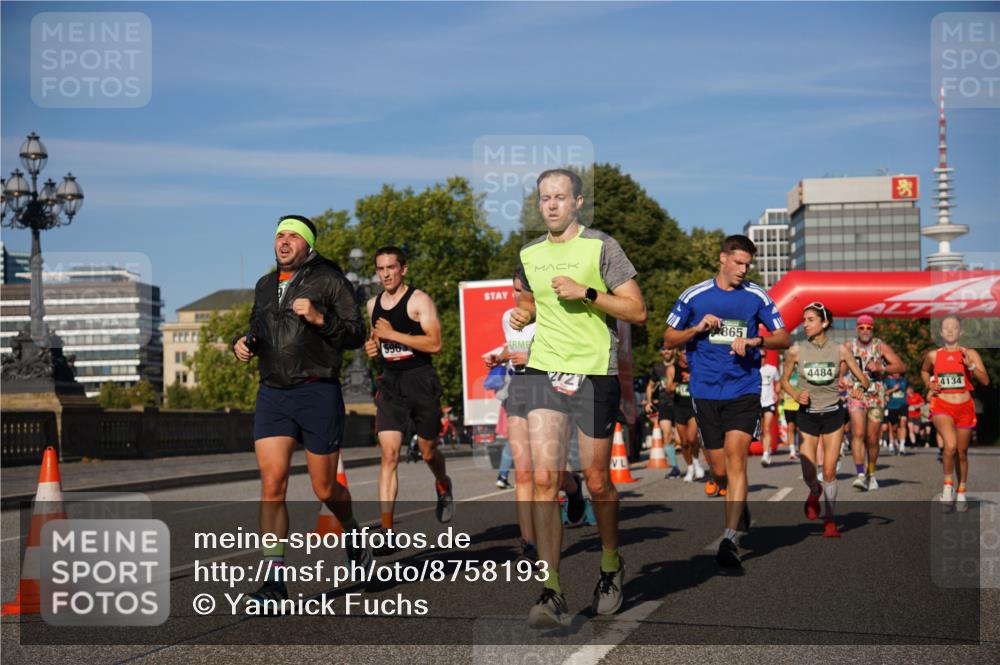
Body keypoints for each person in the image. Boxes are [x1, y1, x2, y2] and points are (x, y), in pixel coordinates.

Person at [510, 168, 647, 628]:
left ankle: (610, 565)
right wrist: (520, 313)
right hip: (544, 367)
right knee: (546, 479)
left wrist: (588, 292)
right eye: (544, 198)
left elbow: (637, 310)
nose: (551, 205)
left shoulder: (601, 247)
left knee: (596, 479)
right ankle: (551, 590)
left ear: (578, 203)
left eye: (560, 197)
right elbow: (531, 302)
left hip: (593, 372)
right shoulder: (529, 254)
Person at [233, 215, 371, 607]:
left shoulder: (329, 279)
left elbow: (356, 332)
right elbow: (258, 330)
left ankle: (352, 532)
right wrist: (243, 344)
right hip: (273, 393)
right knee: (272, 483)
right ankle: (274, 581)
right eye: (279, 235)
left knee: (324, 488)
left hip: (317, 390)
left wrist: (318, 318)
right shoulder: (264, 285)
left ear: (308, 244)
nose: (284, 241)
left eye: (292, 235)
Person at [664, 234, 790, 567]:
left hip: (744, 390)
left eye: (748, 265)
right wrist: (696, 328)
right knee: (719, 469)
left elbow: (783, 336)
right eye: (738, 263)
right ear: (723, 259)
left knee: (737, 459)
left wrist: (754, 340)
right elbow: (668, 337)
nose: (743, 270)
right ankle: (736, 499)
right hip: (705, 392)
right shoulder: (695, 295)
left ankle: (729, 539)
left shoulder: (756, 296)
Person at [485, 274, 585, 565]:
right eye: (513, 290)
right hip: (519, 389)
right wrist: (499, 356)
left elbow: (570, 354)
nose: (515, 296)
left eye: (521, 291)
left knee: (548, 474)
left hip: (551, 388)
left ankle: (574, 487)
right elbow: (512, 345)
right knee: (524, 472)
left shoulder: (554, 316)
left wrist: (530, 358)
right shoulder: (509, 316)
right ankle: (528, 543)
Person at [365, 246, 454, 538]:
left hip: (420, 380)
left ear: (404, 269)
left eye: (391, 267)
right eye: (381, 268)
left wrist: (393, 335)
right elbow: (377, 341)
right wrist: (373, 347)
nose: (386, 274)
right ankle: (387, 528)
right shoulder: (371, 305)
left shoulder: (419, 301)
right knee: (389, 455)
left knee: (428, 452)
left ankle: (442, 484)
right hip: (391, 383)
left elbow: (435, 344)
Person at [781, 302, 869, 538]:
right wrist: (795, 394)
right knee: (810, 471)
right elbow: (784, 381)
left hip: (833, 414)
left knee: (829, 471)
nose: (805, 324)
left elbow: (864, 380)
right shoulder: (796, 350)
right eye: (804, 319)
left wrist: (859, 388)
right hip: (807, 416)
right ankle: (814, 489)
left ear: (825, 323)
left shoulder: (840, 351)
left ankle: (830, 519)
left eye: (810, 319)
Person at [920, 315, 990, 512]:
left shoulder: (971, 354)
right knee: (949, 445)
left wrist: (972, 367)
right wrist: (929, 384)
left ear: (961, 332)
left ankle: (961, 491)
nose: (950, 330)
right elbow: (924, 371)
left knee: (961, 452)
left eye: (954, 327)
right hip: (942, 405)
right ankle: (948, 487)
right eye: (946, 327)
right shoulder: (934, 355)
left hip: (965, 407)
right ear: (941, 333)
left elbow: (985, 381)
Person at [845, 315, 905, 491]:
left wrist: (882, 368)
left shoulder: (880, 346)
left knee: (872, 438)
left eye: (868, 328)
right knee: (857, 432)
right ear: (857, 329)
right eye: (862, 327)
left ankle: (871, 473)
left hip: (875, 396)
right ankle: (860, 474)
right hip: (855, 393)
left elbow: (901, 367)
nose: (865, 331)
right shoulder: (849, 346)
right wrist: (840, 378)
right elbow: (840, 368)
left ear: (873, 329)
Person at [644, 346, 681, 478]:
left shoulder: (679, 365)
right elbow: (650, 385)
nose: (666, 351)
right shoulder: (657, 368)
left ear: (674, 351)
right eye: (664, 349)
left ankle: (693, 465)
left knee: (681, 439)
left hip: (679, 404)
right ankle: (675, 468)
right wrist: (648, 402)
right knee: (667, 436)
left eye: (669, 349)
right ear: (660, 351)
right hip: (664, 405)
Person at [668, 350, 705, 483]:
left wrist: (692, 379)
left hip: (693, 407)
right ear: (679, 354)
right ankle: (690, 468)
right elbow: (668, 388)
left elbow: (703, 383)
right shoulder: (673, 368)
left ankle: (696, 463)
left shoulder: (695, 366)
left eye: (687, 353)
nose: (686, 356)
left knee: (692, 438)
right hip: (679, 408)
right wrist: (675, 385)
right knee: (683, 443)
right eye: (684, 353)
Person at [759, 355, 779, 467]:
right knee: (761, 430)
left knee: (767, 428)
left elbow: (779, 381)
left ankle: (766, 454)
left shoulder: (772, 369)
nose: (761, 358)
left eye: (763, 356)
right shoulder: (753, 369)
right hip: (757, 403)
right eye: (760, 356)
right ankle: (767, 449)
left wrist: (777, 392)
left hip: (769, 402)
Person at [884, 372, 909, 455]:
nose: (897, 374)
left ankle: (902, 446)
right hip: (892, 406)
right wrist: (893, 389)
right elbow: (885, 393)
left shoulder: (904, 380)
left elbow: (909, 390)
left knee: (903, 423)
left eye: (899, 372)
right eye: (895, 372)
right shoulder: (888, 381)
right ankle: (893, 442)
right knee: (893, 428)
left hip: (903, 405)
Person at [781, 362, 801, 461]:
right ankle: (792, 451)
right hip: (788, 405)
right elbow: (779, 389)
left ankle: (803, 449)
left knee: (800, 429)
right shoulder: (784, 376)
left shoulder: (798, 375)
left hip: (798, 405)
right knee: (790, 427)